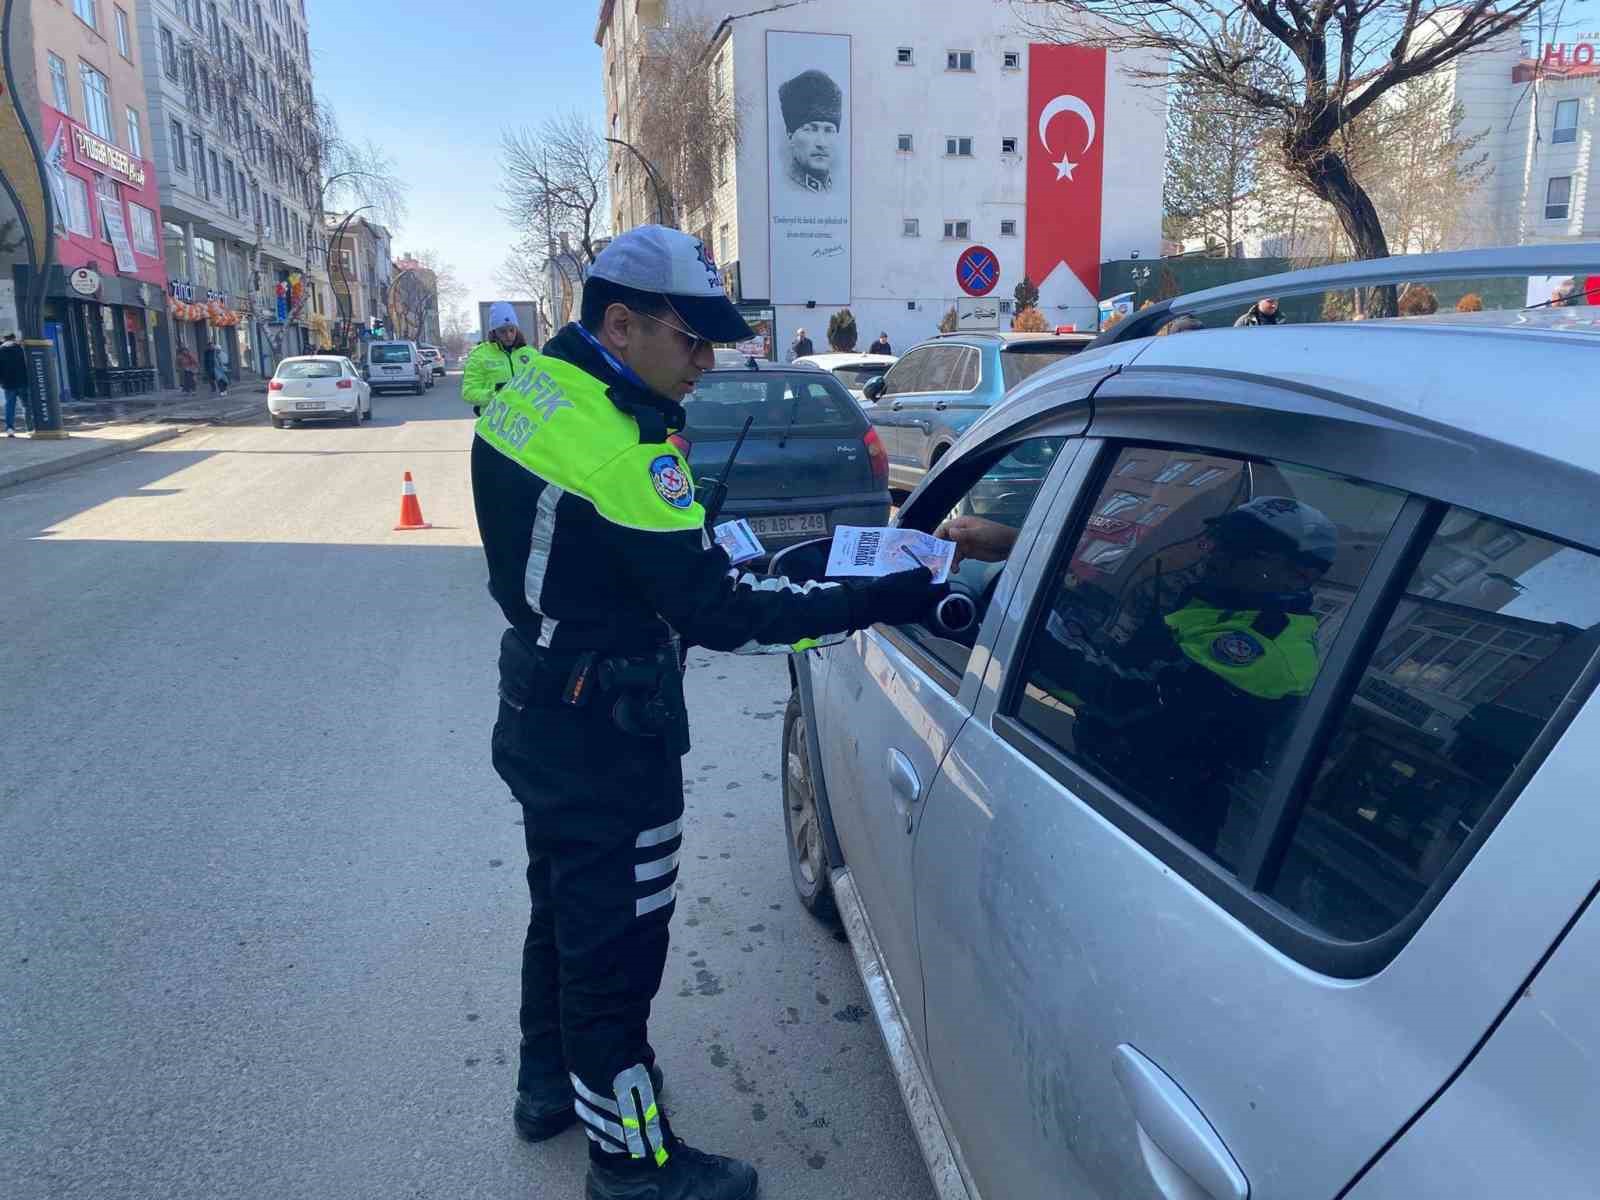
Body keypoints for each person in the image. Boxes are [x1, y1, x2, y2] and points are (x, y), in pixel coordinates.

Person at [472, 223, 943, 1200]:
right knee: (616, 957)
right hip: (608, 725)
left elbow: (638, 560)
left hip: (539, 693)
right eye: (690, 340)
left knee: (561, 912)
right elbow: (721, 614)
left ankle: (545, 1087)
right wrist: (877, 596)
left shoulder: (532, 390)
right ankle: (632, 1164)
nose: (707, 362)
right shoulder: (629, 445)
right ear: (618, 322)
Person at [941, 496, 1335, 854]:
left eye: (1242, 549)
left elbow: (1121, 693)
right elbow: (1107, 603)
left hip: (1158, 821)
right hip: (1117, 783)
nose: (1217, 553)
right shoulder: (1221, 605)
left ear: (1299, 575)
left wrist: (1013, 622)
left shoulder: (1263, 649)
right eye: (1220, 538)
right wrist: (1019, 545)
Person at [777, 68, 841, 194]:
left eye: (829, 130)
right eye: (810, 130)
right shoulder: (784, 189)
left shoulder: (837, 191)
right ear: (790, 135)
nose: (821, 143)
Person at [462, 303, 527, 416]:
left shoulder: (530, 354)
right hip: (494, 426)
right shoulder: (479, 356)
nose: (508, 335)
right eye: (503, 331)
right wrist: (495, 395)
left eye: (512, 330)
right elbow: (469, 392)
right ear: (494, 332)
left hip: (527, 424)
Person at [1, 333, 27, 437]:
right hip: (22, 381)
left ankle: (10, 429)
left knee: (10, 406)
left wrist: (1, 382)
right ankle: (30, 427)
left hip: (8, 383)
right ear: (13, 338)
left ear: (4, 339)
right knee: (26, 405)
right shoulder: (19, 349)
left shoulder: (1, 350)